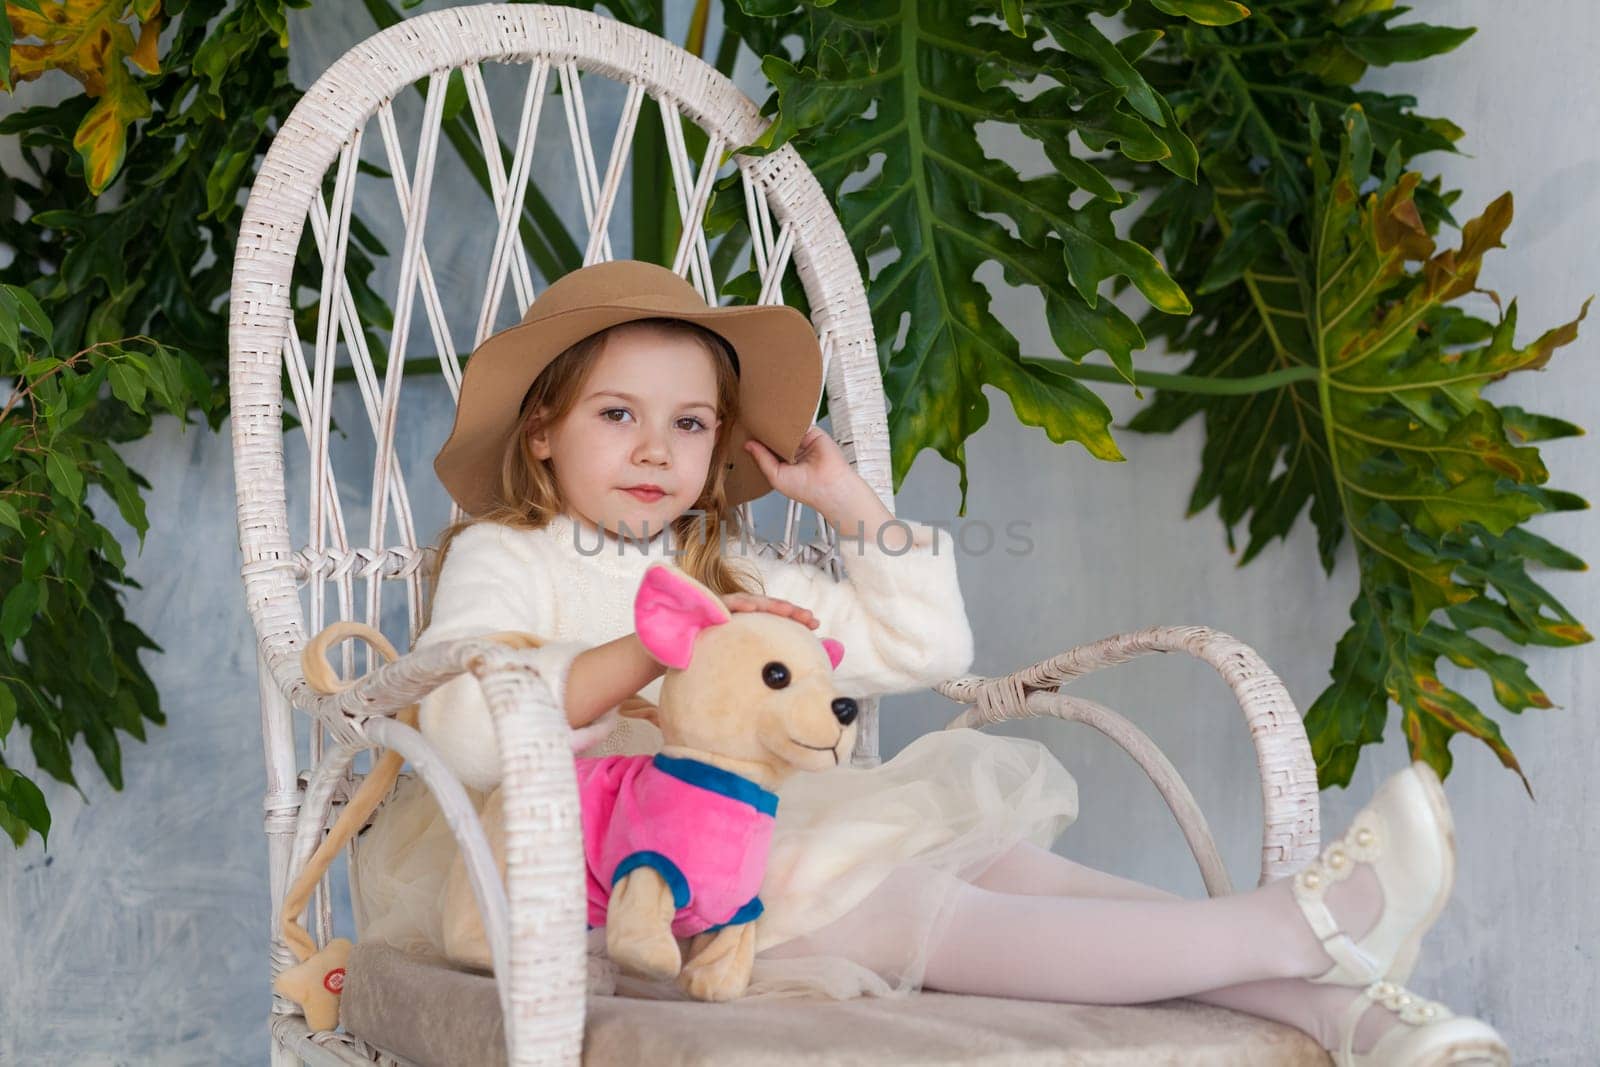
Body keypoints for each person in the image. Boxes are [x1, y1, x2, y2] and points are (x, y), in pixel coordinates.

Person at [352, 259, 1510, 1066]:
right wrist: (652, 651)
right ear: (542, 429)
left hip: (768, 824)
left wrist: (852, 507)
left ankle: (1358, 1013)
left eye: (693, 422)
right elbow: (461, 719)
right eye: (616, 414)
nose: (657, 448)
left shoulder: (740, 582)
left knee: (1002, 859)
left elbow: (924, 646)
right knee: (912, 900)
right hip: (616, 868)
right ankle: (1291, 925)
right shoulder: (515, 554)